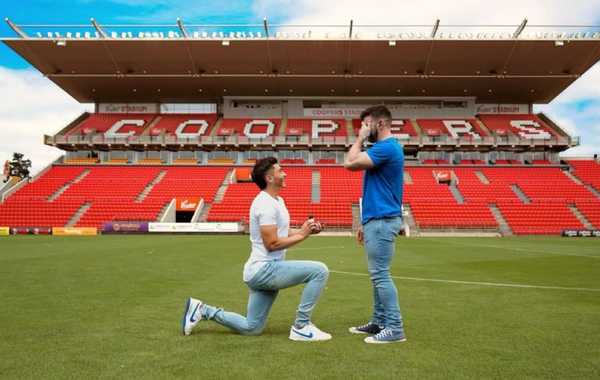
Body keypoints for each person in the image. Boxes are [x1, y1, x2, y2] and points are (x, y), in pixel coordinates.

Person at [181, 157, 331, 341]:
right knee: (319, 271)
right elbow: (272, 244)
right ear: (269, 178)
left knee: (252, 328)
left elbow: (281, 232)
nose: (284, 173)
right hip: (264, 270)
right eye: (280, 170)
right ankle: (302, 326)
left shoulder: (277, 200)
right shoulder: (265, 204)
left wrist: (304, 230)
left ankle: (203, 310)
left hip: (262, 271)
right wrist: (303, 235)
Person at [343, 105, 407, 344]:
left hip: (382, 220)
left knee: (380, 275)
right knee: (377, 275)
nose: (363, 129)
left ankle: (395, 328)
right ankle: (379, 321)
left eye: (366, 124)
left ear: (380, 124)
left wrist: (359, 139)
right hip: (376, 219)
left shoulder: (386, 147)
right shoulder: (384, 148)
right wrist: (364, 222)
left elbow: (349, 163)